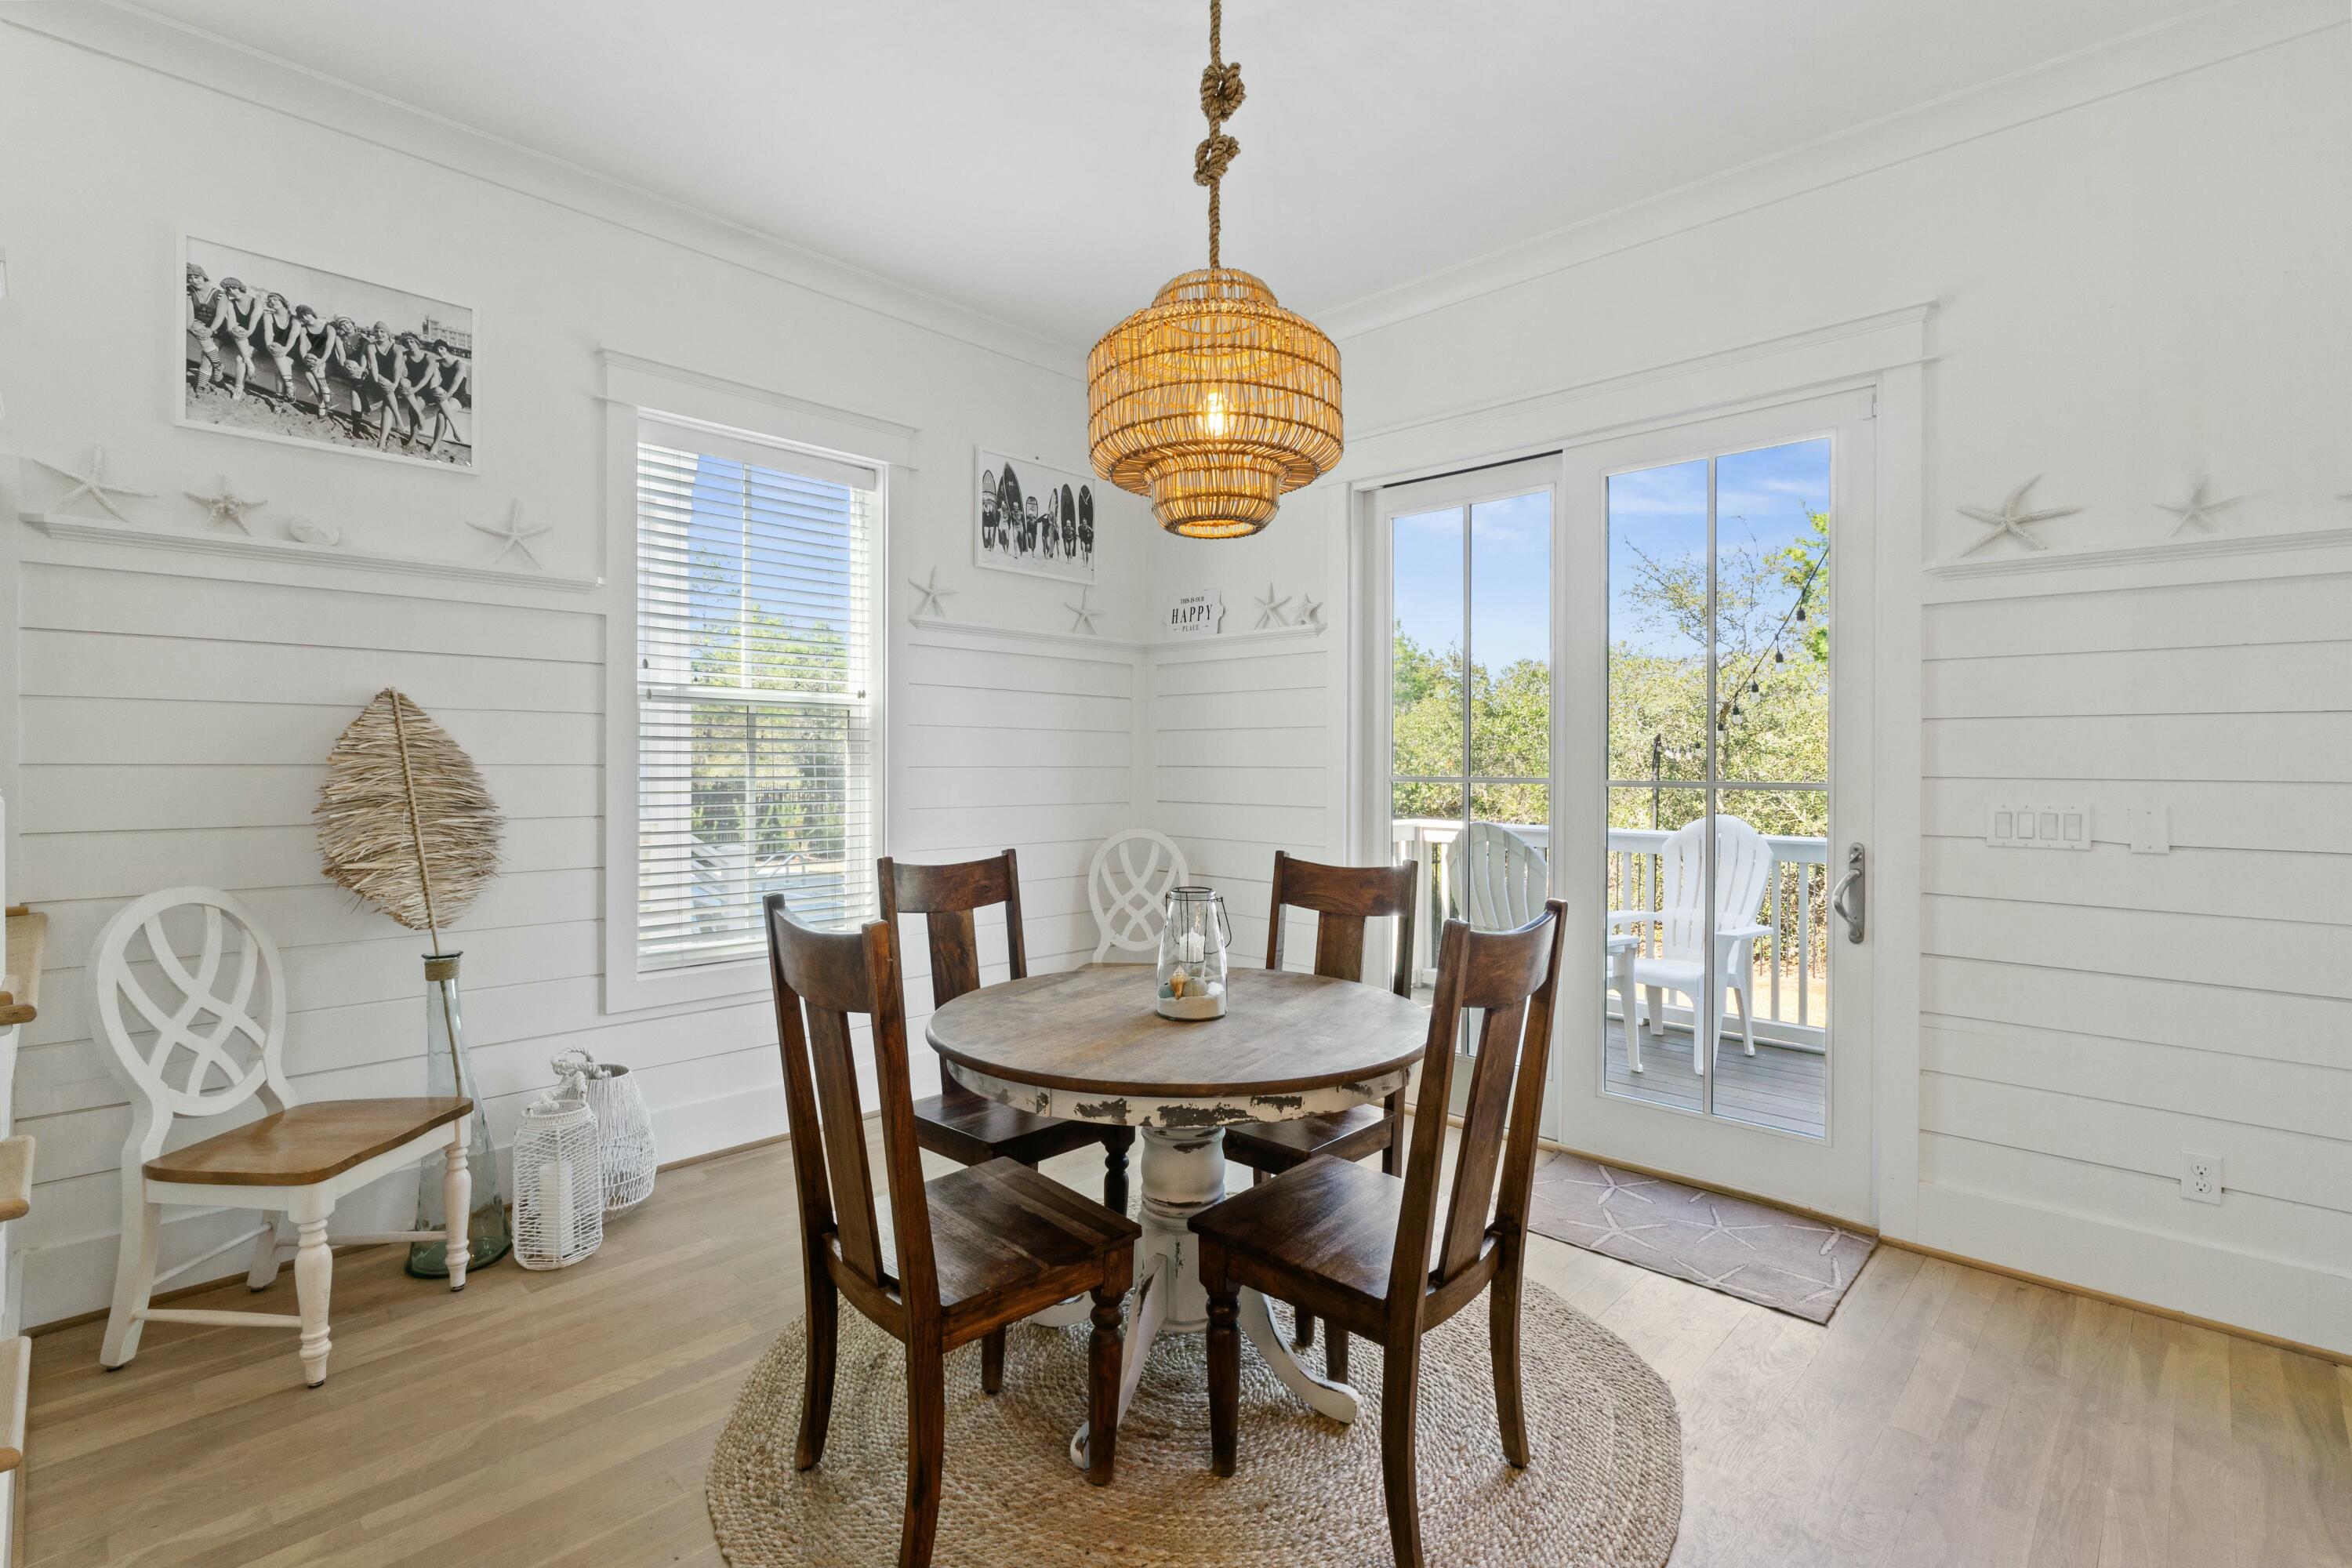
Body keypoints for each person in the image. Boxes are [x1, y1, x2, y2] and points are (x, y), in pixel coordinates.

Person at [216, 278, 263, 402]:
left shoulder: (256, 302)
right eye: (228, 289)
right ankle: (249, 363)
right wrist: (237, 331)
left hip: (256, 337)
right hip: (239, 337)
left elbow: (252, 327)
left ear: (240, 287)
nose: (231, 291)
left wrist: (244, 332)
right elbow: (231, 326)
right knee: (237, 329)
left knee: (239, 358)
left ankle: (239, 387)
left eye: (233, 287)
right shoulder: (230, 303)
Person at [185, 265, 228, 394]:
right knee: (198, 328)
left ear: (204, 277)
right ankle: (218, 364)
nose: (194, 280)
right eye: (190, 278)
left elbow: (220, 317)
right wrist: (190, 328)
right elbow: (190, 315)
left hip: (218, 328)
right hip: (200, 325)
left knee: (207, 356)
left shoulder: (220, 295)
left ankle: (201, 385)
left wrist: (211, 330)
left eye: (197, 277)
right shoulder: (189, 292)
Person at [253, 292, 299, 406]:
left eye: (275, 299)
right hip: (274, 350)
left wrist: (284, 351)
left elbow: (293, 339)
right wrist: (271, 349)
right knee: (275, 346)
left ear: (284, 302)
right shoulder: (268, 316)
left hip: (291, 351)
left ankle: (279, 403)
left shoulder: (295, 320)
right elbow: (268, 334)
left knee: (280, 371)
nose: (272, 302)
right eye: (270, 300)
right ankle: (290, 386)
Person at [979, 470, 1000, 551]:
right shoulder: (982, 508)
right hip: (986, 524)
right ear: (983, 502)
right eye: (984, 501)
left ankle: (991, 547)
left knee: (991, 536)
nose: (985, 502)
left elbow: (995, 514)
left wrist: (996, 522)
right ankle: (988, 545)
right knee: (986, 536)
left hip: (991, 524)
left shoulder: (991, 507)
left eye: (986, 501)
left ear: (988, 501)